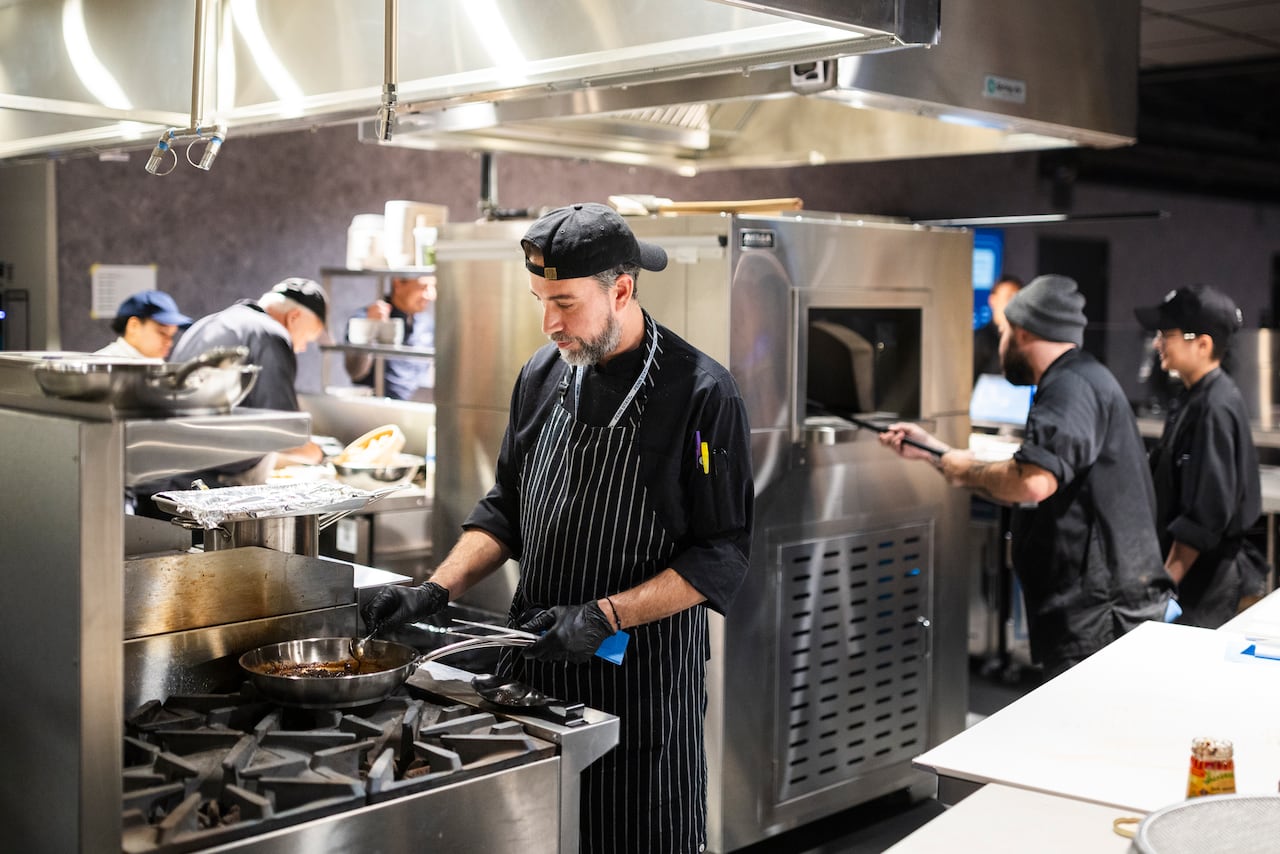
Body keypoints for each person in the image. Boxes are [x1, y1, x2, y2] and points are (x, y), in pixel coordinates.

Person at [363, 202, 754, 853]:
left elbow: (721, 554)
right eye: (541, 299)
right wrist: (436, 591)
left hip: (643, 686)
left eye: (566, 303)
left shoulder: (702, 394)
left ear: (622, 290)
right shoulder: (543, 374)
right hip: (535, 674)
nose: (549, 323)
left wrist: (606, 614)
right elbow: (506, 509)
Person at [879, 274, 1176, 679]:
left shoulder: (1068, 386)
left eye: (1002, 333)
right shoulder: (1080, 378)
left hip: (1099, 614)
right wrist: (938, 453)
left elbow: (1031, 480)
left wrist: (960, 470)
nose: (999, 346)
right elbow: (1035, 467)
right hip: (1098, 608)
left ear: (1020, 333)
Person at [1135, 284, 1268, 627]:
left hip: (1205, 582)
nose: (1157, 342)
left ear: (1203, 344)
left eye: (1168, 334)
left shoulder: (1216, 406)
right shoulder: (1192, 398)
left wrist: (1165, 585)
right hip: (1192, 577)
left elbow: (1205, 516)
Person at [168, 277, 328, 471]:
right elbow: (285, 435)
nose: (301, 348)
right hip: (209, 481)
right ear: (293, 317)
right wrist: (319, 455)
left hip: (170, 469)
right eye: (307, 339)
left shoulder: (206, 324)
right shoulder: (270, 334)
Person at [344, 273, 436, 400]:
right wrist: (369, 327)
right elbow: (355, 372)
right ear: (398, 283)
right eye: (423, 287)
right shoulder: (365, 317)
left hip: (417, 408)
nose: (431, 295)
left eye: (433, 287)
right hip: (377, 409)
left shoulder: (427, 323)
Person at [96, 290, 192, 359]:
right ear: (134, 326)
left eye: (172, 335)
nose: (169, 343)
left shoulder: (156, 363)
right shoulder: (101, 367)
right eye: (162, 333)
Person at [973, 273, 1022, 380]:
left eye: (1017, 298)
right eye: (1008, 297)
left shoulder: (1023, 339)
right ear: (992, 300)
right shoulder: (980, 339)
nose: (1013, 303)